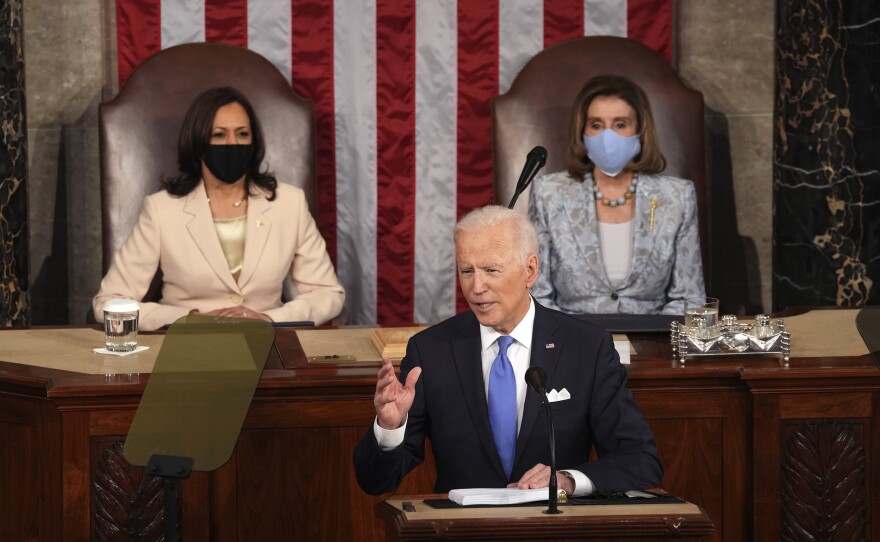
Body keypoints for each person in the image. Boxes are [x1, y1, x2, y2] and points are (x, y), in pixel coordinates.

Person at [353, 205, 661, 496]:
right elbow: (376, 482)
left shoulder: (586, 348)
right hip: (463, 532)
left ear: (529, 270)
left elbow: (640, 459)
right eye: (467, 271)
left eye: (491, 270)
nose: (477, 287)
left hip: (552, 530)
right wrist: (389, 428)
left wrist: (567, 480)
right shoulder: (432, 351)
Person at [93, 87, 345, 331]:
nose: (232, 143)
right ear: (199, 142)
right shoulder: (162, 209)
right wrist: (190, 320)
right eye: (219, 135)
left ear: (254, 142)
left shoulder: (289, 203)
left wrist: (269, 318)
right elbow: (109, 303)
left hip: (268, 349)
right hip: (185, 351)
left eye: (242, 134)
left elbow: (328, 294)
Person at [528, 74, 704, 315]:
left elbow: (689, 298)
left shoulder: (677, 197)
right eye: (596, 125)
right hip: (572, 343)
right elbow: (537, 295)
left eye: (620, 124)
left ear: (640, 131)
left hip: (652, 343)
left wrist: (655, 341)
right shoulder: (548, 194)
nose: (607, 137)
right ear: (583, 132)